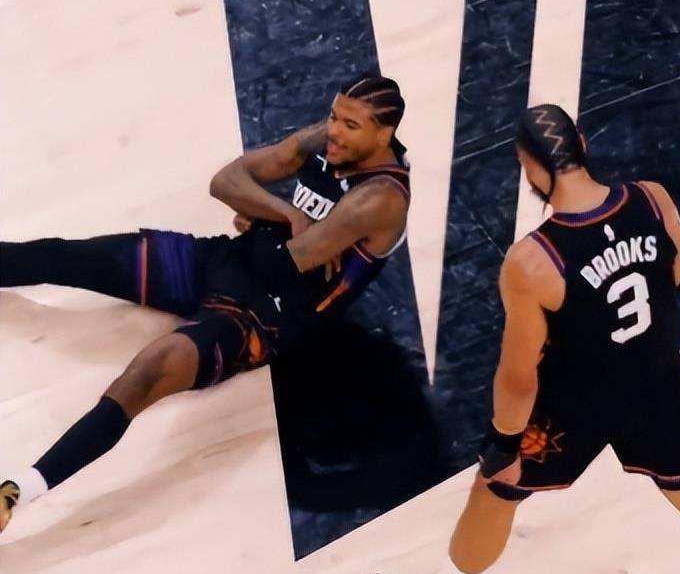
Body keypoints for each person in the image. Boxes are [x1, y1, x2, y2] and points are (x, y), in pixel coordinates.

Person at [364, 104, 680, 574]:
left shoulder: (533, 261)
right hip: (658, 387)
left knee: (494, 490)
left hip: (573, 405)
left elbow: (518, 374)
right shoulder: (653, 198)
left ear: (529, 168)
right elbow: (672, 274)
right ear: (582, 142)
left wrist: (504, 445)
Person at [0, 75, 411, 535]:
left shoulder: (379, 199)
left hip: (263, 316)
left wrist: (255, 212)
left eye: (350, 125)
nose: (333, 130)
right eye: (334, 116)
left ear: (383, 135)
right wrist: (283, 213)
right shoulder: (328, 140)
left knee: (147, 371)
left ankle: (16, 491)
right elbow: (224, 181)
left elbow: (284, 261)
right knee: (70, 256)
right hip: (225, 260)